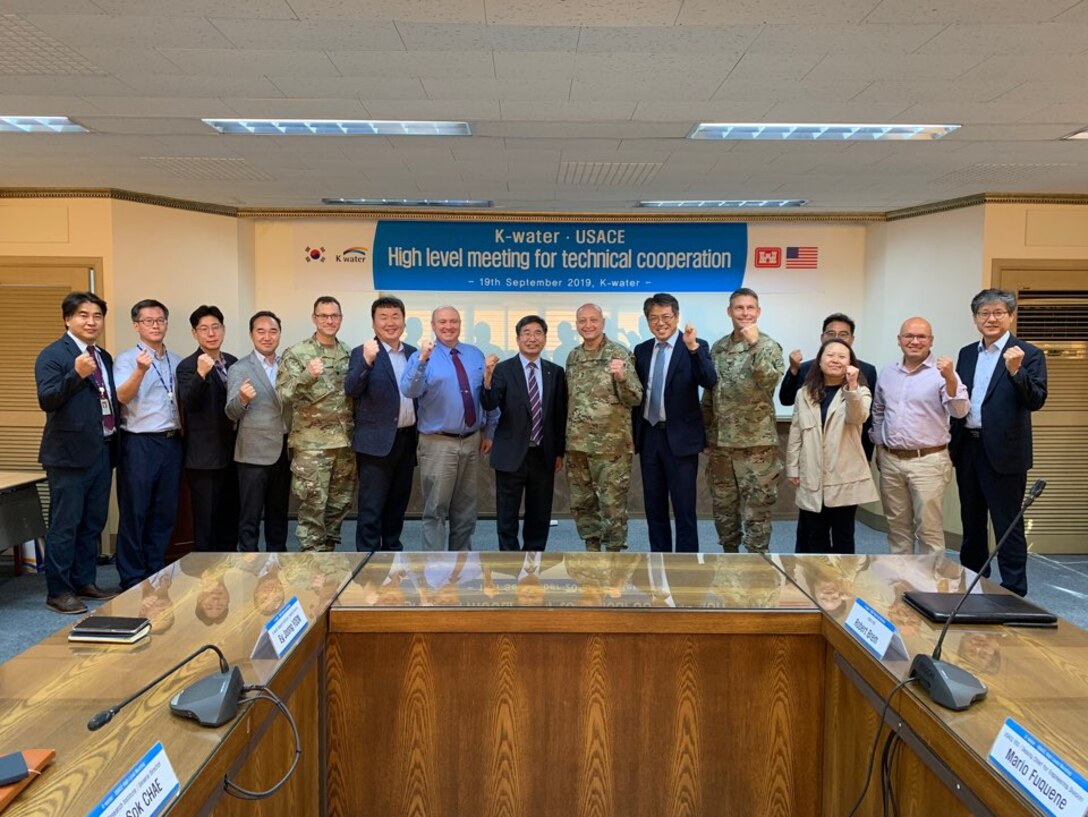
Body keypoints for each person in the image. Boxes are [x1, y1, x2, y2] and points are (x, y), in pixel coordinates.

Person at [951, 289, 1047, 597]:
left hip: (1005, 452)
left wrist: (1016, 372)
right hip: (969, 446)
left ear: (1010, 316)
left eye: (998, 313)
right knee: (972, 521)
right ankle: (973, 583)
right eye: (984, 314)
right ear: (975, 318)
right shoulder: (967, 353)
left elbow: (1036, 400)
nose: (991, 319)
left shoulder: (1028, 354)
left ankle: (1014, 591)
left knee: (1007, 525)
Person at [35, 292, 120, 614]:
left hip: (102, 449)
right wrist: (76, 374)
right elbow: (48, 399)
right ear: (68, 319)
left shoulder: (103, 356)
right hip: (68, 456)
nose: (91, 321)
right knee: (65, 524)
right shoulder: (54, 355)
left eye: (97, 316)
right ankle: (58, 591)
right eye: (83, 315)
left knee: (92, 522)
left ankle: (84, 580)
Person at [870, 317, 969, 555]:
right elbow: (879, 411)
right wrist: (880, 447)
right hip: (891, 460)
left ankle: (929, 588)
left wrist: (951, 379)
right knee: (897, 529)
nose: (914, 341)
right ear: (899, 340)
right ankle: (901, 584)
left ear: (930, 341)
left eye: (921, 337)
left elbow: (960, 411)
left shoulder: (943, 373)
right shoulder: (887, 373)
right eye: (909, 336)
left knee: (929, 530)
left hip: (928, 462)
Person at [401, 306, 495, 551]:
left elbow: (487, 394)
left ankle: (461, 564)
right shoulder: (422, 356)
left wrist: (490, 431)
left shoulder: (475, 354)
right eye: (442, 322)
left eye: (453, 321)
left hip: (473, 440)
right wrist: (422, 360)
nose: (448, 326)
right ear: (433, 325)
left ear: (460, 324)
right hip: (437, 442)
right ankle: (434, 569)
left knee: (466, 510)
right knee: (436, 509)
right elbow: (410, 391)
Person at [702, 288, 785, 553]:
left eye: (750, 308)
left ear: (758, 312)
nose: (745, 313)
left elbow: (769, 380)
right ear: (730, 312)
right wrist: (705, 433)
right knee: (724, 510)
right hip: (722, 447)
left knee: (756, 512)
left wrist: (754, 344)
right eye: (739, 308)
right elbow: (709, 394)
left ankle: (756, 567)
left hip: (756, 448)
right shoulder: (718, 348)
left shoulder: (768, 346)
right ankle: (729, 559)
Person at [632, 293, 717, 552]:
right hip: (650, 437)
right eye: (654, 318)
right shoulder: (642, 350)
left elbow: (709, 379)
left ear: (677, 317)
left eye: (666, 317)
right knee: (654, 507)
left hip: (681, 439)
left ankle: (686, 564)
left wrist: (692, 349)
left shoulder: (695, 345)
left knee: (684, 508)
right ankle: (659, 561)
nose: (660, 323)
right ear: (647, 321)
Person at [481, 315, 568, 551]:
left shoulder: (555, 372)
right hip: (511, 453)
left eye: (538, 333)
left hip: (544, 454)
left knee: (539, 515)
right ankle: (509, 562)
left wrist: (559, 452)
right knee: (507, 516)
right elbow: (489, 404)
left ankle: (534, 561)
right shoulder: (502, 370)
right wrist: (487, 378)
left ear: (545, 338)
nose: (532, 338)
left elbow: (559, 415)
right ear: (518, 339)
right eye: (526, 333)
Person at [114, 298, 184, 589]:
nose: (156, 326)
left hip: (172, 443)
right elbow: (121, 397)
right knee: (135, 511)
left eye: (160, 320)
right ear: (136, 325)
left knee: (164, 511)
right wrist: (140, 371)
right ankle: (131, 576)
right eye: (148, 321)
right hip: (139, 444)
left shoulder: (177, 360)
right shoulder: (127, 359)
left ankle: (155, 569)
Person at [276, 296, 356, 552]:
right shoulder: (297, 354)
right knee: (313, 507)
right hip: (312, 447)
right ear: (314, 318)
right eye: (323, 316)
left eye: (334, 316)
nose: (329, 320)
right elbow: (283, 395)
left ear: (341, 319)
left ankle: (328, 566)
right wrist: (306, 376)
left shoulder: (348, 353)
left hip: (344, 445)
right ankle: (312, 566)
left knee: (338, 506)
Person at [785, 339, 878, 553]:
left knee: (843, 536)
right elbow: (796, 432)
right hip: (812, 472)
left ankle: (843, 586)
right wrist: (792, 467)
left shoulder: (860, 391)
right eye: (830, 355)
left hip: (845, 475)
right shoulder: (804, 393)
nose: (835, 360)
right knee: (815, 535)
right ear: (819, 361)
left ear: (851, 362)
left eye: (842, 356)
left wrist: (852, 386)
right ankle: (816, 584)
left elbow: (858, 417)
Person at [564, 303, 642, 552]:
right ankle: (592, 549)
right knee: (582, 502)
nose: (588, 325)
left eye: (593, 320)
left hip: (612, 448)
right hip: (577, 445)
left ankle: (615, 553)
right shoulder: (573, 356)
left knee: (612, 504)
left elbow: (635, 398)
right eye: (582, 321)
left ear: (603, 322)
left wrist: (622, 378)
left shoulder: (620, 354)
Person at [345, 295, 418, 552]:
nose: (390, 323)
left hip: (407, 441)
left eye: (395, 316)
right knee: (371, 509)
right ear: (373, 323)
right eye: (383, 317)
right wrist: (366, 361)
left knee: (397, 507)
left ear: (404, 320)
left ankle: (392, 558)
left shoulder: (413, 353)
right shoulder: (362, 352)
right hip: (375, 444)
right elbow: (351, 389)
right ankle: (367, 562)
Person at [226, 310, 291, 553]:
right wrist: (242, 399)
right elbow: (231, 413)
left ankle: (278, 562)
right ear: (251, 334)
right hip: (252, 454)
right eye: (260, 331)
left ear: (280, 335)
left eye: (273, 331)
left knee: (279, 515)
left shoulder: (288, 364)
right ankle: (249, 566)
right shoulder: (240, 368)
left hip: (283, 451)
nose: (267, 337)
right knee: (250, 517)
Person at [176, 305, 238, 552]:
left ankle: (229, 569)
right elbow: (189, 403)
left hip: (233, 453)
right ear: (194, 333)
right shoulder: (187, 366)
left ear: (223, 329)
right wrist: (201, 374)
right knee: (206, 521)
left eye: (216, 327)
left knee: (230, 516)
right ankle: (206, 578)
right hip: (203, 457)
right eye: (204, 329)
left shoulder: (233, 362)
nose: (211, 333)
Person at [779, 312, 878, 462]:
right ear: (822, 337)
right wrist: (793, 369)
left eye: (843, 334)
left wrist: (867, 453)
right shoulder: (806, 368)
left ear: (852, 339)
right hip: (812, 450)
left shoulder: (866, 370)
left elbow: (868, 416)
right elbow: (786, 400)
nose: (837, 338)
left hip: (851, 452)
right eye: (831, 333)